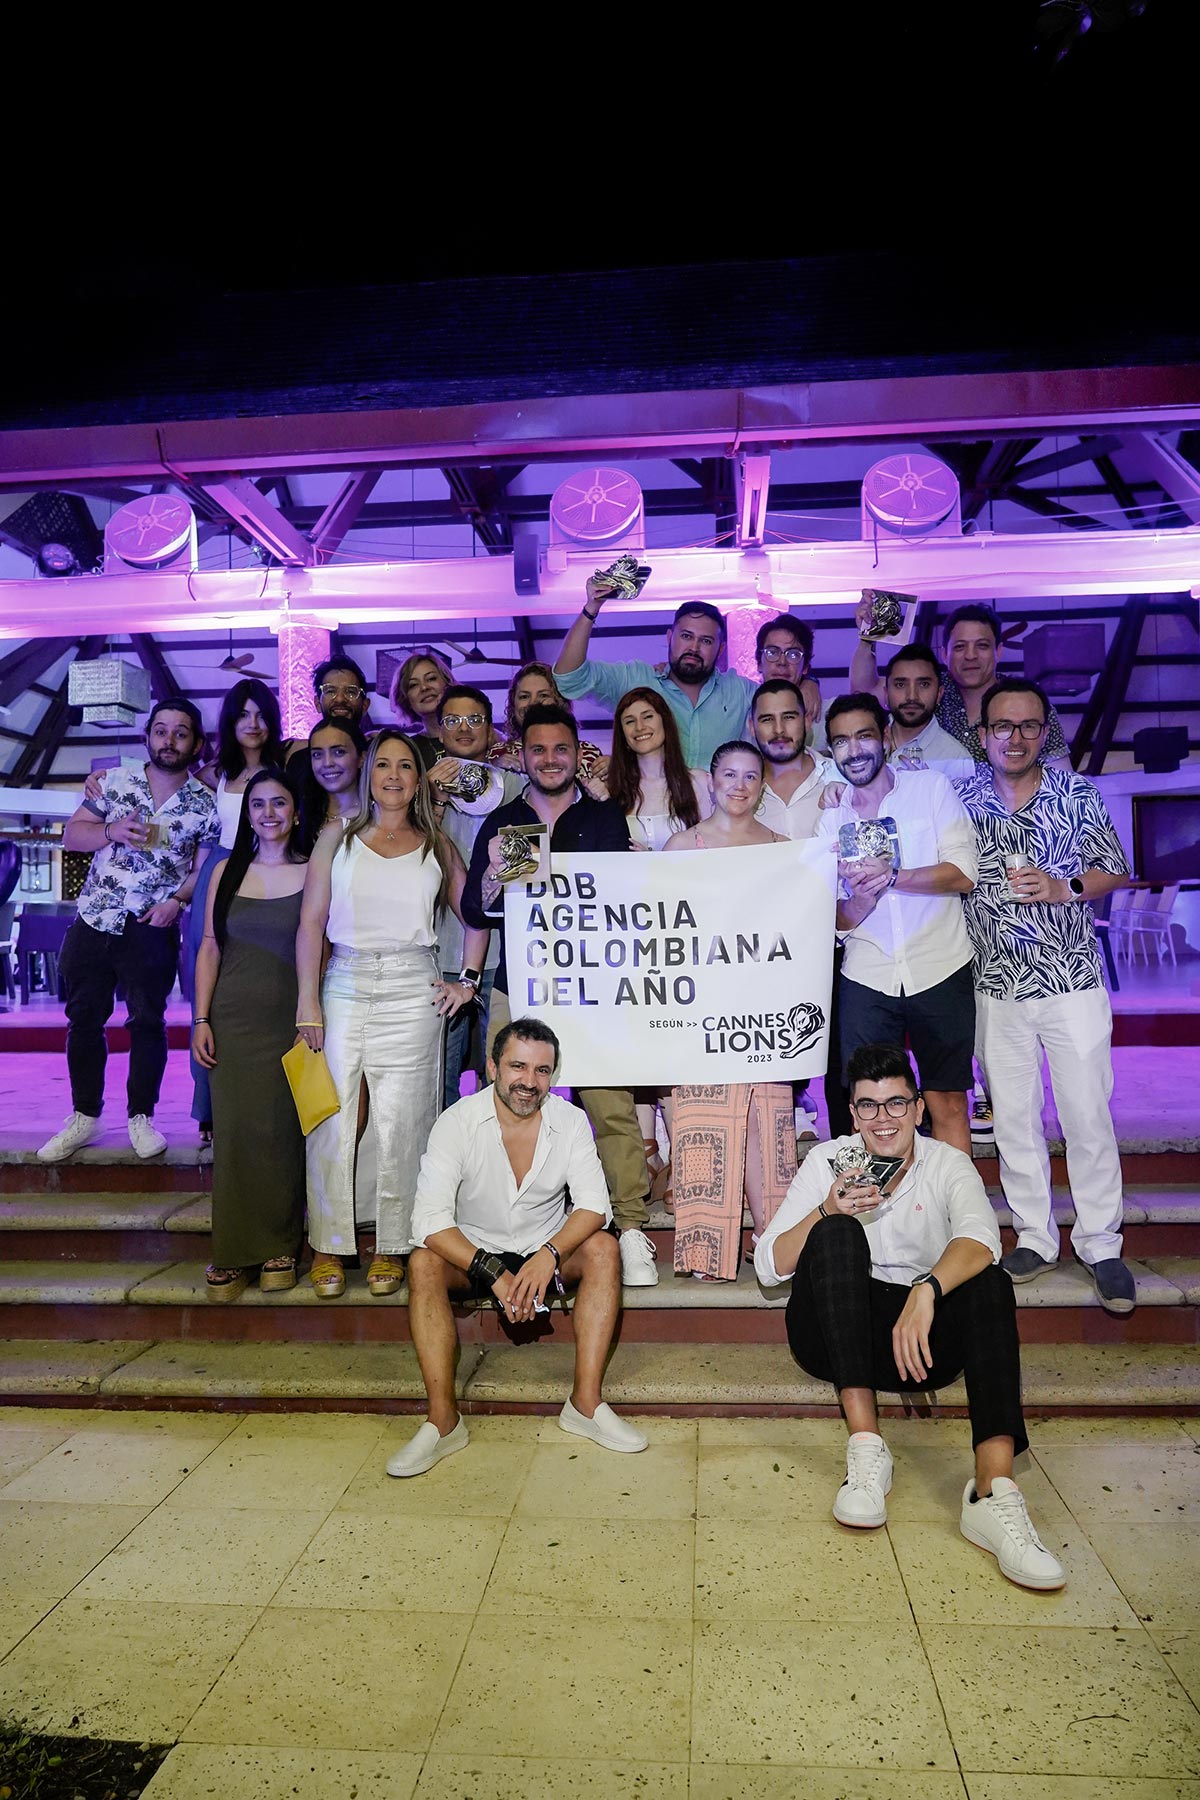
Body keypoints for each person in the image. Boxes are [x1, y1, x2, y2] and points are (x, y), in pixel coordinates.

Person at [755, 1043, 1066, 1592]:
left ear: (919, 1108)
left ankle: (993, 1493)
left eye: (896, 1103)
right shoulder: (826, 1160)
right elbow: (769, 1265)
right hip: (834, 1333)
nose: (883, 1118)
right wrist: (826, 1209)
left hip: (917, 1342)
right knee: (836, 1232)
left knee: (990, 1280)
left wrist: (927, 1290)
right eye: (868, 1105)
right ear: (853, 1114)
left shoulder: (948, 1163)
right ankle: (866, 1450)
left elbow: (982, 1240)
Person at [387, 1017, 647, 1476]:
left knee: (604, 1248)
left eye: (542, 1070)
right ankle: (443, 1423)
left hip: (544, 1247)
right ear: (493, 1068)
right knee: (423, 1261)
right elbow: (427, 1221)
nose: (529, 1081)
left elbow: (594, 1206)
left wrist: (549, 1255)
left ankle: (585, 1406)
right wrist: (491, 1270)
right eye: (518, 1067)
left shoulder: (570, 1121)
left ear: (553, 1075)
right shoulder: (457, 1122)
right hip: (473, 1252)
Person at [462, 703, 658, 1287]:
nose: (550, 759)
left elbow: (627, 901)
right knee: (509, 1106)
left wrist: (646, 874)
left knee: (611, 1107)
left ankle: (630, 1228)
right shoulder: (504, 822)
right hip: (520, 986)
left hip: (594, 988)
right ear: (521, 756)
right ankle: (502, 1228)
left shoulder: (604, 817)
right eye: (538, 749)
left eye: (561, 749)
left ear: (578, 754)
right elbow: (476, 910)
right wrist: (494, 873)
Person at [958, 678, 1134, 1314]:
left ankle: (1101, 1244)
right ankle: (1035, 1237)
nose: (1016, 737)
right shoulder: (961, 801)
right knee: (1013, 1119)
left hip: (1072, 983)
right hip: (995, 986)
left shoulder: (1076, 793)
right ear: (982, 734)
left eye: (1029, 725)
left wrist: (1065, 887)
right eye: (1003, 726)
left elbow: (1115, 869)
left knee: (1087, 1115)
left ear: (1044, 731)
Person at [294, 730, 488, 1298]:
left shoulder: (437, 844)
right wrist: (308, 1002)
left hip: (413, 985)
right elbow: (310, 924)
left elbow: (475, 914)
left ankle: (394, 1243)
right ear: (368, 774)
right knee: (333, 1116)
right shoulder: (335, 836)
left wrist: (468, 982)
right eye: (384, 764)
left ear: (419, 777)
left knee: (405, 1120)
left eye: (406, 765)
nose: (395, 775)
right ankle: (328, 1243)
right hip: (344, 982)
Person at [38, 698, 220, 1163]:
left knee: (147, 1021)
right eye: (161, 730)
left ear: (196, 743)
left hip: (151, 923)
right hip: (95, 917)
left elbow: (202, 870)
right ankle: (85, 1115)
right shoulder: (114, 782)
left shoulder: (205, 804)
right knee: (83, 1018)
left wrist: (176, 903)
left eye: (181, 732)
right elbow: (72, 835)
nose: (169, 740)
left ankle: (142, 1116)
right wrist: (110, 831)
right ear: (148, 736)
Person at [817, 693, 978, 1154]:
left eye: (863, 736)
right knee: (872, 1108)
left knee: (947, 1102)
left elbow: (964, 874)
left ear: (886, 736)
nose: (854, 750)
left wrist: (893, 876)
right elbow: (834, 921)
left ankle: (954, 1200)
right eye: (841, 741)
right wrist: (861, 899)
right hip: (867, 976)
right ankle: (883, 1202)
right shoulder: (831, 821)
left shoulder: (930, 789)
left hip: (940, 966)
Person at [665, 741, 797, 1280]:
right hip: (701, 1009)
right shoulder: (682, 846)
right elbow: (663, 929)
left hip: (765, 1013)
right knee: (702, 1124)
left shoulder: (785, 848)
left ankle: (775, 1243)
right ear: (712, 780)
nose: (739, 786)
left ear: (762, 785)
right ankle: (704, 1251)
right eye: (729, 774)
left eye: (750, 776)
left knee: (768, 1127)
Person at [192, 771, 308, 1300]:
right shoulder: (224, 870)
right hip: (232, 1020)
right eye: (257, 804)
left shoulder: (314, 869)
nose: (268, 813)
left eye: (278, 803)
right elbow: (210, 946)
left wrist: (313, 1016)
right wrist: (201, 1019)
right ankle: (234, 1250)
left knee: (282, 1133)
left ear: (296, 812)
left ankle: (281, 1245)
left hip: (291, 1020)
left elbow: (322, 949)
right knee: (236, 1134)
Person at [606, 686, 710, 1204]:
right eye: (629, 720)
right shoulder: (608, 793)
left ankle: (685, 1152)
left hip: (687, 936)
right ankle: (646, 1153)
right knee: (636, 1045)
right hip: (628, 939)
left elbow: (720, 858)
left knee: (678, 1045)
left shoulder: (701, 784)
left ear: (666, 722)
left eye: (648, 716)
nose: (640, 727)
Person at [186, 678, 286, 1145]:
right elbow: (168, 787)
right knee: (206, 984)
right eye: (243, 714)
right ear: (229, 721)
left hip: (271, 871)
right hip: (221, 875)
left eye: (261, 714)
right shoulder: (214, 774)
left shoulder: (286, 765)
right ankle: (208, 1107)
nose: (253, 723)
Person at [748, 678, 844, 1138]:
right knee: (771, 1056)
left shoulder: (840, 777)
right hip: (765, 949)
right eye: (767, 719)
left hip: (839, 938)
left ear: (808, 719)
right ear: (752, 726)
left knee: (843, 1057)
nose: (779, 728)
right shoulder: (739, 787)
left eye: (789, 716)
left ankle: (848, 1150)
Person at [430, 684, 524, 1106]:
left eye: (474, 719)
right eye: (452, 720)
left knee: (501, 1074)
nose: (464, 728)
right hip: (440, 948)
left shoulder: (518, 786)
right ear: (439, 729)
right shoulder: (419, 788)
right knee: (438, 1079)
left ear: (491, 728)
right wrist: (432, 799)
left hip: (506, 953)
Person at [850, 602, 1073, 772]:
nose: (970, 656)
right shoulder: (929, 688)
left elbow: (1062, 777)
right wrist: (867, 636)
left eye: (982, 646)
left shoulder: (1027, 704)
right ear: (945, 654)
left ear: (999, 651)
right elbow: (864, 690)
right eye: (960, 647)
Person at [554, 586, 752, 769]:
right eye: (686, 636)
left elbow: (773, 697)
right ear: (669, 637)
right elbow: (569, 678)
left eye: (706, 641)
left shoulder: (740, 691)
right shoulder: (636, 680)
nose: (694, 647)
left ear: (721, 649)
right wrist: (591, 608)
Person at [487, 660, 607, 789]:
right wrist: (494, 772)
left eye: (543, 695)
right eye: (524, 696)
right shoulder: (497, 754)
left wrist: (615, 770)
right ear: (513, 704)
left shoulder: (589, 753)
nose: (533, 703)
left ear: (560, 701)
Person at [878, 646, 978, 783]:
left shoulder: (956, 759)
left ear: (939, 694)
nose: (912, 696)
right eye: (900, 685)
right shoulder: (865, 739)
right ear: (886, 693)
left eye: (924, 684)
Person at [284, 656, 372, 781]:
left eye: (351, 692)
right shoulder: (299, 762)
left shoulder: (378, 755)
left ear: (365, 705)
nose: (340, 699)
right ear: (317, 703)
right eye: (330, 691)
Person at [294, 719, 368, 854]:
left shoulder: (377, 814)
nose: (327, 763)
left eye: (339, 752)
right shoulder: (301, 817)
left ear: (362, 758)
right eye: (317, 755)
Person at [389, 647, 453, 770]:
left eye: (431, 678)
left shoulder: (476, 733)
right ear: (405, 699)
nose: (424, 687)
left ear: (447, 683)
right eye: (413, 685)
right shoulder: (407, 750)